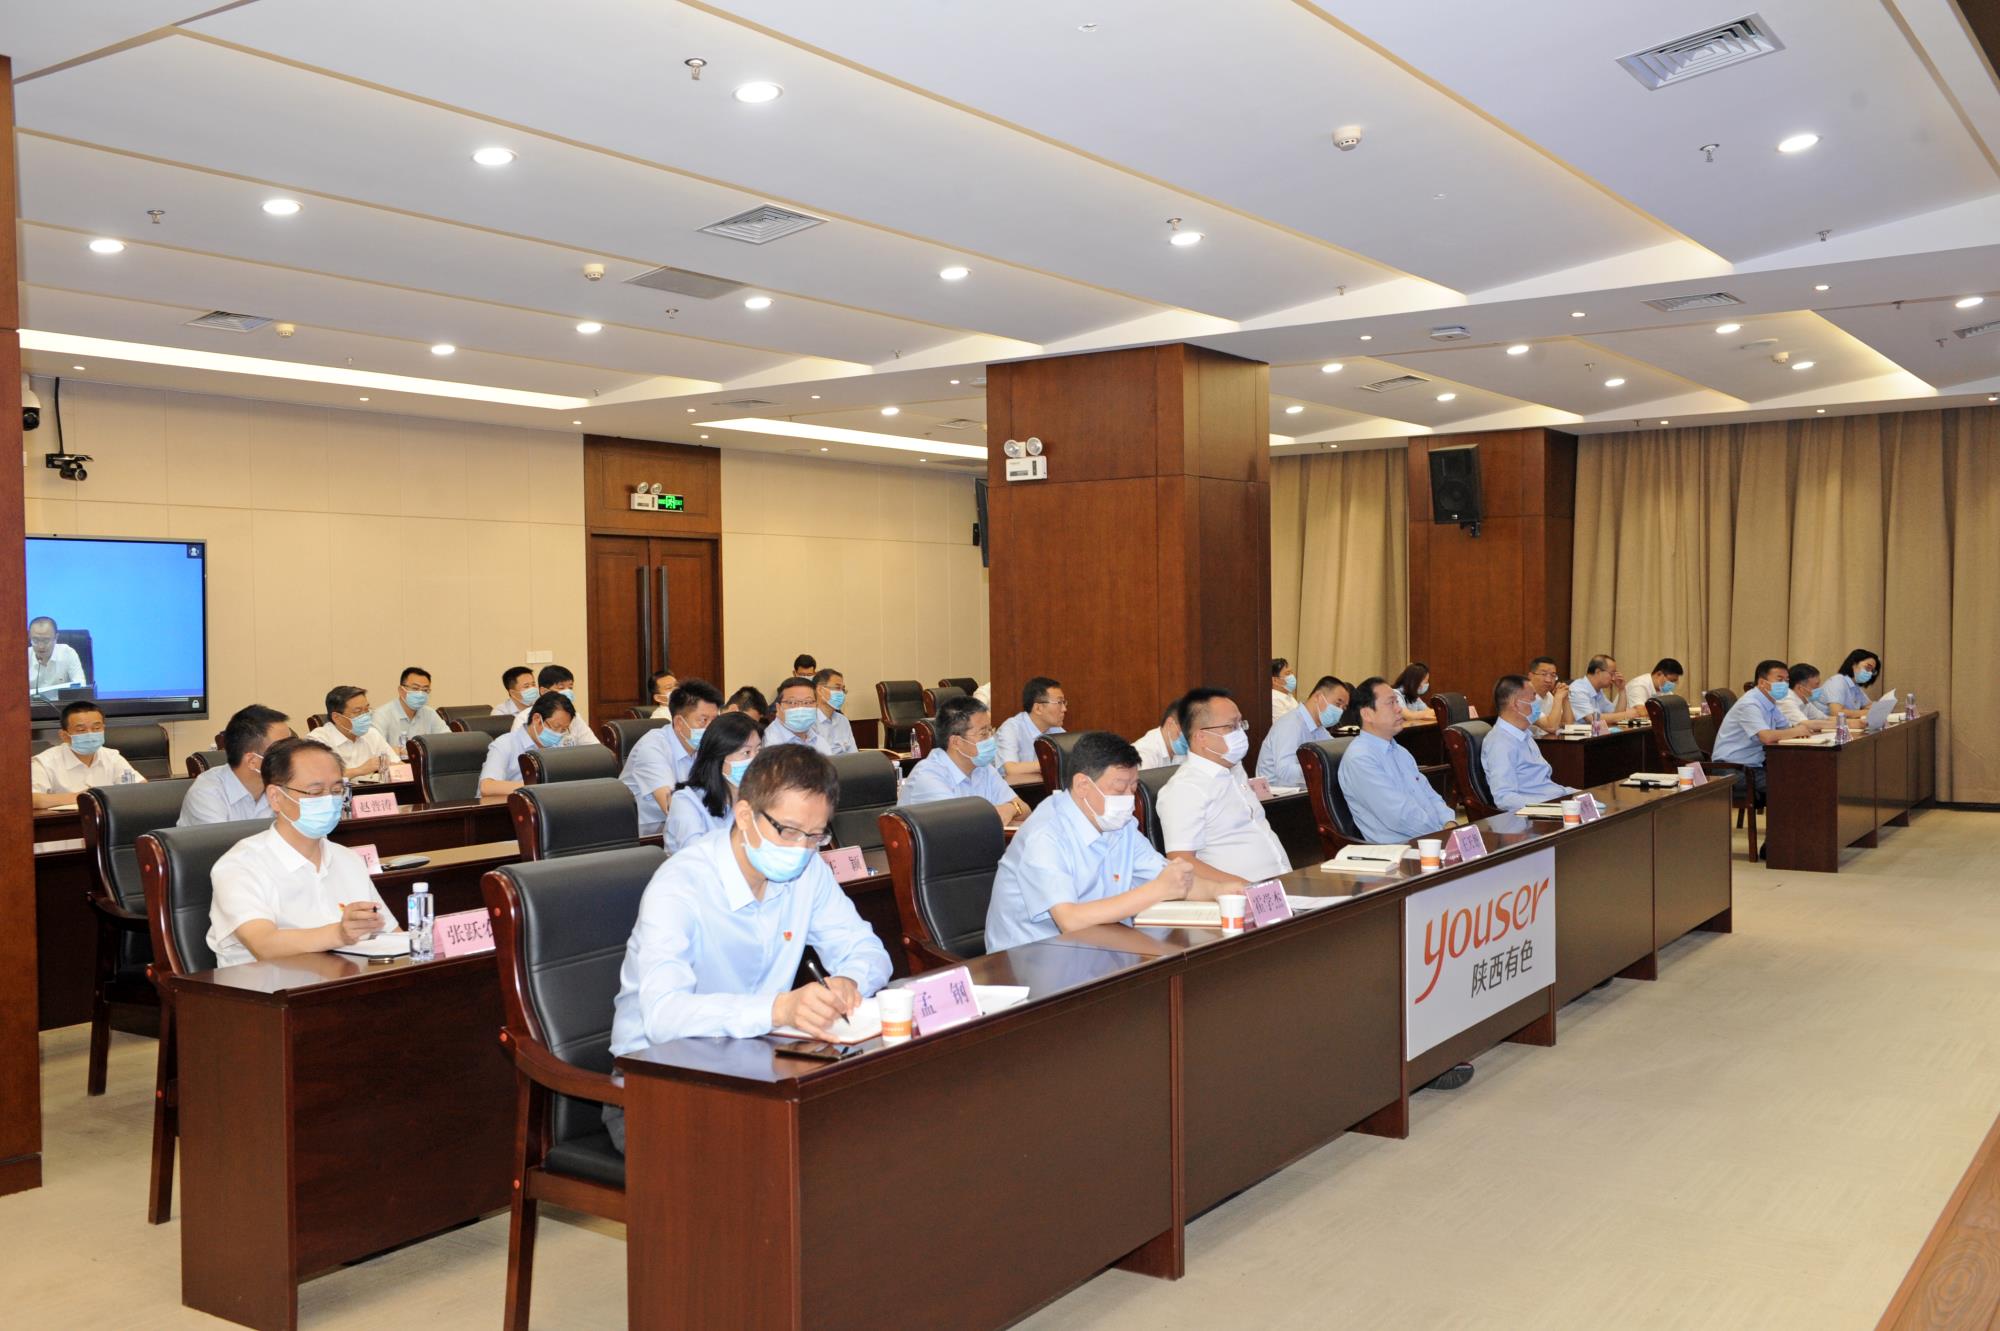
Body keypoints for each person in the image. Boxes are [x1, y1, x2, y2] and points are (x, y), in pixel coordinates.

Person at [605, 745, 892, 1149]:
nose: (801, 848)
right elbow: (663, 1016)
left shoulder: (808, 870)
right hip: (656, 1084)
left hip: (757, 1067)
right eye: (788, 830)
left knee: (867, 1128)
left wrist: (849, 980)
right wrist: (778, 1009)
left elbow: (868, 950)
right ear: (744, 815)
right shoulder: (681, 885)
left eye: (815, 835)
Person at [984, 731, 1201, 952]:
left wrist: (1221, 892)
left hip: (1096, 943)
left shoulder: (1119, 824)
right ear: (1082, 785)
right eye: (1120, 789)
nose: (1129, 799)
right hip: (1028, 957)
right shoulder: (1045, 834)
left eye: (1134, 787)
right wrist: (1157, 890)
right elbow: (1069, 920)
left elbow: (1172, 880)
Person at [205, 738, 397, 969]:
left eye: (336, 791)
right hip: (265, 988)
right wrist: (339, 934)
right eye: (315, 792)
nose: (329, 800)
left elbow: (392, 934)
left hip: (342, 981)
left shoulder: (348, 859)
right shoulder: (239, 866)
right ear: (276, 797)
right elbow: (264, 945)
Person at [1156, 688, 1291, 885]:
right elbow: (1181, 860)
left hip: (1279, 884)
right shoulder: (1184, 789)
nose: (1240, 732)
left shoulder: (1235, 769)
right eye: (1231, 726)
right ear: (1201, 737)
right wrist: (1246, 887)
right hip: (1236, 895)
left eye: (1241, 724)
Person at [1337, 677, 1456, 843]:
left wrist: (1449, 822)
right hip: (1400, 850)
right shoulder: (1360, 759)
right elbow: (1399, 816)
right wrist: (1441, 833)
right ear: (1367, 714)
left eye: (1397, 702)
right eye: (1391, 703)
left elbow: (1429, 795)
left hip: (1430, 839)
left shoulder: (1400, 752)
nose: (1399, 709)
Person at [898, 695, 1030, 826]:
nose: (991, 739)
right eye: (983, 733)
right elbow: (963, 824)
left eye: (991, 731)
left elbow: (1026, 810)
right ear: (956, 742)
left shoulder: (983, 768)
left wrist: (1012, 808)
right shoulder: (928, 776)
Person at [622, 679, 724, 833]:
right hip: (644, 838)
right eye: (703, 720)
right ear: (679, 723)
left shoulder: (706, 746)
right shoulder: (652, 747)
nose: (711, 729)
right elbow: (672, 807)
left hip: (686, 829)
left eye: (714, 721)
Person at [1712, 660, 1811, 806]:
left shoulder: (1770, 703)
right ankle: (1788, 821)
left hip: (1754, 766)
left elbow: (1785, 728)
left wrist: (1796, 731)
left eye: (1786, 680)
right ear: (1762, 682)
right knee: (1791, 784)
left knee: (1802, 776)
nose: (1784, 684)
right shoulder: (1750, 704)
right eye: (1779, 680)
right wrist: (1796, 731)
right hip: (1731, 769)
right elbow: (1766, 737)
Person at [663, 711, 762, 853]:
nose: (756, 760)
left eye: (758, 750)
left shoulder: (760, 797)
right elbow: (697, 856)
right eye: (746, 752)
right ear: (719, 757)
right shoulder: (686, 801)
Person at [179, 704, 291, 825]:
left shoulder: (288, 787)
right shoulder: (206, 794)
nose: (292, 755)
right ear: (252, 761)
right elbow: (221, 838)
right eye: (283, 750)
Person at [1483, 675, 1575, 812]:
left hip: (1556, 797)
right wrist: (1553, 808)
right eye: (1533, 697)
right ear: (1516, 704)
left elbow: (1543, 785)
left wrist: (1578, 795)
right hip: (1540, 812)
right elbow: (1505, 798)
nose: (1537, 702)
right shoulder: (1500, 743)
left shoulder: (1524, 733)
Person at [31, 701, 144, 807]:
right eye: (81, 730)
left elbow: (141, 788)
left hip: (108, 819)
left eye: (96, 728)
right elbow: (33, 799)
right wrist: (83, 798)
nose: (90, 734)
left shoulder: (112, 757)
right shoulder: (43, 763)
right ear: (64, 735)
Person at [1257, 676, 1348, 787]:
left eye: (1343, 708)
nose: (1340, 711)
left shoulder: (1318, 728)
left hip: (1302, 791)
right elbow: (1285, 771)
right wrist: (1320, 767)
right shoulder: (1290, 724)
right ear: (1318, 697)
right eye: (1338, 704)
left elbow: (1335, 753)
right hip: (1279, 794)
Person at [480, 691, 576, 795]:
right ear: (536, 719)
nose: (558, 734)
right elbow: (487, 786)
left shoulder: (558, 747)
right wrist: (536, 788)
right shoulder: (505, 744)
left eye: (563, 730)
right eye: (556, 727)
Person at [309, 686, 397, 778]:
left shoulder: (372, 734)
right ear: (337, 718)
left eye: (367, 709)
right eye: (358, 711)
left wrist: (394, 767)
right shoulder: (318, 740)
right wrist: (359, 770)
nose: (365, 716)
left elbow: (399, 766)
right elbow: (320, 777)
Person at [508, 665, 601, 745]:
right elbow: (519, 753)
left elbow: (594, 746)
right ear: (544, 691)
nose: (567, 692)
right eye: (561, 687)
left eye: (570, 688)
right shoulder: (524, 718)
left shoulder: (574, 717)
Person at [996, 676, 1067, 781]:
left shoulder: (1056, 730)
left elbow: (1073, 759)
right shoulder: (1011, 728)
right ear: (1038, 708)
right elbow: (1011, 769)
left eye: (1064, 702)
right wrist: (1052, 763)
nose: (1064, 709)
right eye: (1059, 703)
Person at [372, 666, 449, 757]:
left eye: (425, 690)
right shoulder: (382, 715)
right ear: (401, 690)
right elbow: (376, 750)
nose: (420, 694)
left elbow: (448, 741)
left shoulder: (429, 713)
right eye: (415, 688)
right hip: (395, 765)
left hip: (423, 764)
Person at [763, 676, 845, 756]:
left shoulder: (819, 740)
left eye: (807, 702)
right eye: (792, 702)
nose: (800, 708)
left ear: (816, 706)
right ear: (778, 707)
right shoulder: (770, 743)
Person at [1567, 655, 1643, 724]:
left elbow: (1616, 715)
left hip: (1595, 733)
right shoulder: (1578, 689)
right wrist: (1625, 715)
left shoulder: (1598, 691)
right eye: (1612, 674)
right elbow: (1592, 718)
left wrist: (1622, 689)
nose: (1613, 678)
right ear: (1598, 672)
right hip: (1579, 735)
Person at [29, 616, 87, 698]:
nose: (41, 646)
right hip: (32, 706)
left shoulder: (68, 653)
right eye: (35, 640)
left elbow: (81, 686)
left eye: (46, 640)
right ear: (30, 637)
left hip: (63, 705)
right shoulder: (24, 657)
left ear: (56, 638)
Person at [811, 668, 859, 755]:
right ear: (820, 690)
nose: (842, 693)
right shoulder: (809, 722)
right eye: (837, 688)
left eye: (843, 689)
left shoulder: (843, 720)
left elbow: (854, 754)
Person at [1823, 648, 1882, 716]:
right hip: (1823, 722)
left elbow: (1868, 706)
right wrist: (1866, 712)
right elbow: (1836, 712)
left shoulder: (1855, 686)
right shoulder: (1837, 681)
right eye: (1868, 667)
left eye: (1873, 671)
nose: (1870, 673)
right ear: (1854, 664)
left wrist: (1883, 707)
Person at [1133, 699, 1189, 770]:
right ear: (1170, 724)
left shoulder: (1185, 750)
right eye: (1186, 729)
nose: (1189, 737)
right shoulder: (1144, 754)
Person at [1777, 662, 1837, 729]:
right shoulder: (1786, 698)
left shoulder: (1805, 700)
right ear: (1800, 688)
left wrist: (1844, 721)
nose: (1819, 688)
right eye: (1816, 685)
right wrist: (1840, 724)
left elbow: (1825, 719)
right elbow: (1805, 724)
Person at [1525, 657, 1571, 736]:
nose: (1548, 680)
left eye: (1553, 675)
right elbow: (1551, 727)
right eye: (1543, 674)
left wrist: (1565, 698)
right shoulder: (1524, 697)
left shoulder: (1548, 695)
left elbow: (1566, 724)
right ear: (1530, 676)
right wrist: (1558, 698)